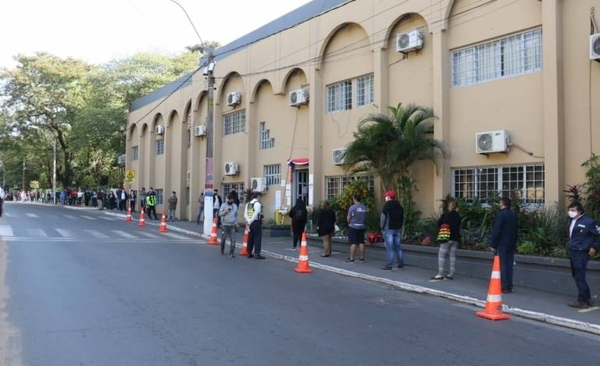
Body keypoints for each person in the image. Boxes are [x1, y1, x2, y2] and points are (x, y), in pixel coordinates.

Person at [566, 201, 599, 309]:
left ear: (579, 211)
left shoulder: (589, 222)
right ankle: (587, 297)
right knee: (576, 275)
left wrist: (594, 247)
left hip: (581, 252)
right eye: (569, 210)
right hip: (573, 250)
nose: (570, 212)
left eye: (573, 210)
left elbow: (598, 235)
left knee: (579, 276)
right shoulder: (571, 220)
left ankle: (582, 301)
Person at [490, 197, 518, 293]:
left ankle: (505, 286)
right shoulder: (513, 215)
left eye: (500, 202)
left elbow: (497, 230)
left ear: (502, 203)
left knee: (503, 264)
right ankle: (509, 285)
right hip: (511, 242)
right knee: (510, 264)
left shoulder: (501, 215)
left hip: (502, 243)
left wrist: (493, 244)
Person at [431, 200, 461, 280]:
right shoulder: (458, 216)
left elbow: (439, 223)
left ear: (449, 207)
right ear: (456, 208)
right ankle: (451, 274)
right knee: (452, 256)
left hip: (446, 237)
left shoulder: (445, 215)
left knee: (441, 254)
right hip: (456, 238)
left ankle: (440, 273)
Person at [380, 190, 404, 270]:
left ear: (389, 197)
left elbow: (383, 217)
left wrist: (382, 227)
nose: (385, 198)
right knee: (398, 247)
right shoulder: (399, 205)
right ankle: (401, 263)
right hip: (397, 228)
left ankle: (389, 265)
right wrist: (400, 226)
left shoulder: (387, 205)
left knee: (390, 248)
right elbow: (402, 218)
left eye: (386, 196)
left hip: (389, 228)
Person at [346, 194, 367, 263]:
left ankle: (352, 258)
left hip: (353, 226)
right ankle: (362, 257)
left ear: (354, 199)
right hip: (361, 226)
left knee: (353, 243)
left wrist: (349, 223)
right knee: (361, 242)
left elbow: (349, 217)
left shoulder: (353, 207)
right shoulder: (363, 207)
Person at [244, 192, 265, 259]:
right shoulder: (257, 204)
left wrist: (248, 221)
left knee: (250, 238)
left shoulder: (248, 204)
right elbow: (256, 213)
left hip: (249, 223)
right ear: (258, 196)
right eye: (260, 197)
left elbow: (245, 214)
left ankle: (249, 252)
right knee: (257, 238)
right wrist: (251, 220)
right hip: (256, 222)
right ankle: (257, 253)